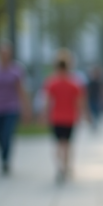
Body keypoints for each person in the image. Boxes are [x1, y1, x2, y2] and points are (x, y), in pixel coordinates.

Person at [0, 42, 30, 175]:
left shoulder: (16, 70)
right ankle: (3, 155)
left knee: (7, 134)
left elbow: (21, 91)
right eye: (2, 53)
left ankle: (5, 160)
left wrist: (26, 109)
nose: (4, 55)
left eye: (6, 53)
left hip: (12, 108)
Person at [43, 51, 86, 183]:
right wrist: (82, 115)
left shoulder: (52, 83)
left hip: (56, 117)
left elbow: (48, 102)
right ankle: (66, 166)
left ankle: (60, 167)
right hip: (70, 117)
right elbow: (79, 102)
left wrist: (44, 115)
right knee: (67, 144)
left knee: (58, 144)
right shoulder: (75, 83)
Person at [86, 65, 103, 130]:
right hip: (91, 99)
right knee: (93, 113)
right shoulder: (91, 82)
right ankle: (93, 125)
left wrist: (102, 99)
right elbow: (87, 92)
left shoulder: (99, 82)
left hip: (97, 99)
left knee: (97, 114)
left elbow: (101, 92)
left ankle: (95, 125)